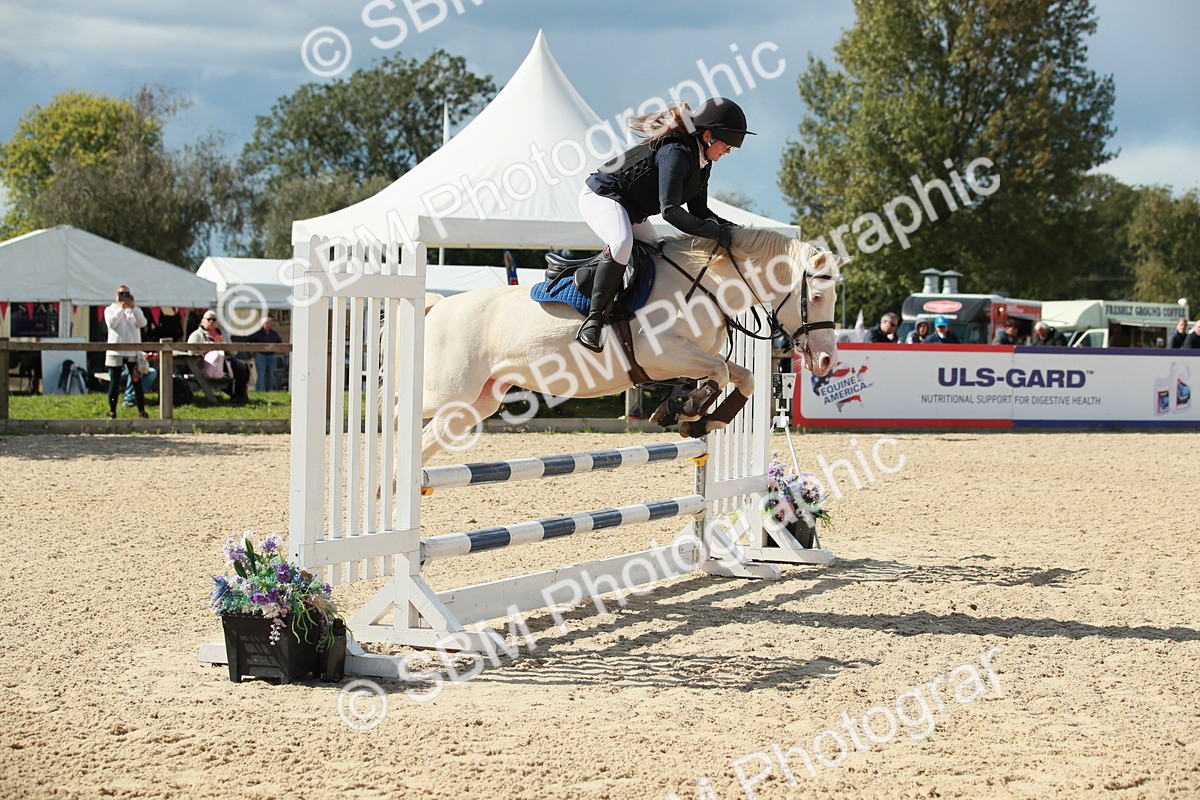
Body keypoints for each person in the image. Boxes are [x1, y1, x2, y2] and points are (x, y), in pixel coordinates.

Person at [576, 96, 755, 352]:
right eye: (727, 146)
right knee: (622, 243)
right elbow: (670, 211)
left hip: (632, 210)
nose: (728, 152)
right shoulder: (677, 152)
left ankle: (632, 315)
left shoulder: (702, 161)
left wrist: (732, 231)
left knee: (659, 254)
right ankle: (593, 321)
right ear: (708, 136)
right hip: (603, 195)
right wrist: (716, 232)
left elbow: (699, 210)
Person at [104, 285, 148, 419]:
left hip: (132, 353)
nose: (124, 296)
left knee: (136, 381)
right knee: (114, 383)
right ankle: (112, 411)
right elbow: (112, 323)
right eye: (121, 293)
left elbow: (143, 323)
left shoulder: (134, 310)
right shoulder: (110, 309)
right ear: (116, 295)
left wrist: (133, 307)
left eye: (126, 293)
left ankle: (141, 410)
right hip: (115, 352)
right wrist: (121, 308)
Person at [189, 311, 250, 404]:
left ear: (217, 322)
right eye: (208, 319)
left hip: (225, 362)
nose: (211, 322)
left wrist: (224, 346)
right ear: (202, 321)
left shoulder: (223, 334)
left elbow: (233, 352)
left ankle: (239, 396)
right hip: (206, 365)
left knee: (243, 367)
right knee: (237, 369)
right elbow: (191, 353)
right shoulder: (196, 335)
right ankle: (238, 396)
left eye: (214, 319)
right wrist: (208, 349)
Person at [248, 317, 283, 392]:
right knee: (261, 375)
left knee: (271, 375)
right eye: (266, 323)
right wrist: (253, 352)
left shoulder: (274, 334)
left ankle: (269, 391)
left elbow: (279, 342)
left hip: (271, 355)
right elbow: (250, 340)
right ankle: (258, 392)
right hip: (261, 355)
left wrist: (275, 349)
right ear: (263, 324)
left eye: (269, 323)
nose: (268, 325)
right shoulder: (258, 334)